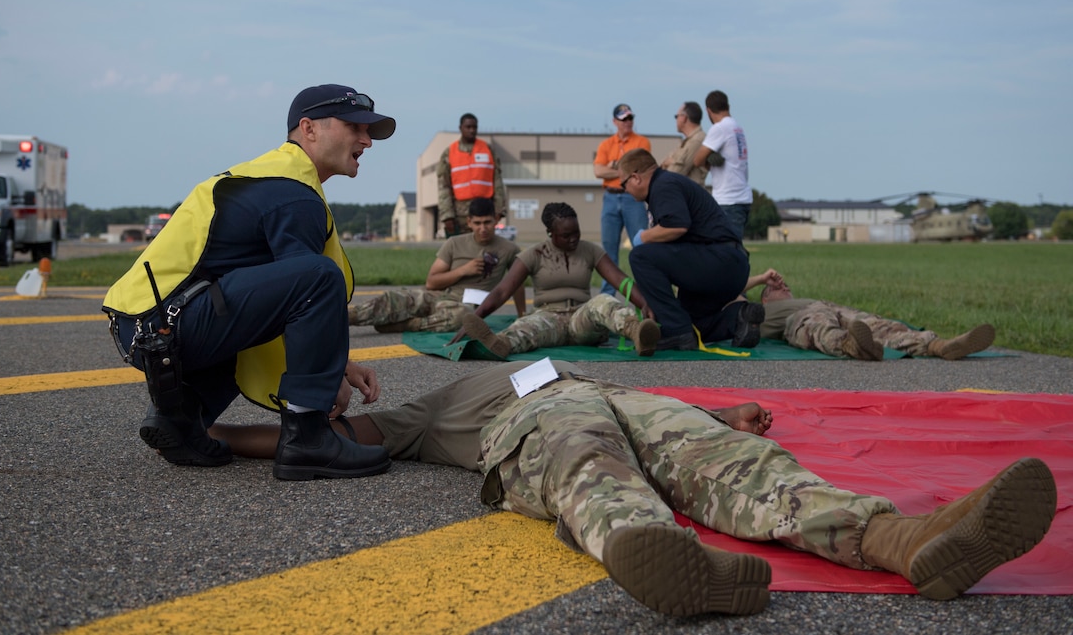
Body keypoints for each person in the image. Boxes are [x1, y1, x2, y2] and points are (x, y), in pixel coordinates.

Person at [209, 359, 1058, 618]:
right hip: (543, 425)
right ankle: (659, 556)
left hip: (639, 405)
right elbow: (328, 434)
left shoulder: (581, 367)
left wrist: (729, 409)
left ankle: (906, 540)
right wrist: (209, 434)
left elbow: (671, 417)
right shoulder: (445, 401)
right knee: (586, 459)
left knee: (737, 463)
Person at [102, 84, 396, 480]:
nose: (367, 141)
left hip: (147, 326)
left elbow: (273, 303)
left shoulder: (267, 177)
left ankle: (181, 419)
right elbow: (307, 296)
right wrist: (325, 386)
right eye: (354, 127)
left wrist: (339, 363)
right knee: (319, 276)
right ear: (308, 128)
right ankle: (308, 440)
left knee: (289, 292)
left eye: (369, 131)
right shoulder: (294, 194)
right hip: (172, 326)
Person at [452, 202, 661, 357]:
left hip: (582, 319)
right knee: (527, 326)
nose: (573, 239)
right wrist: (477, 317)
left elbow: (620, 279)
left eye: (576, 233)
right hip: (549, 317)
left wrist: (643, 303)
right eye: (566, 235)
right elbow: (502, 291)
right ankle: (500, 344)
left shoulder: (590, 250)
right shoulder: (534, 254)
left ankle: (639, 334)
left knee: (603, 301)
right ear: (550, 233)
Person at [617, 149, 764, 351]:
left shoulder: (663, 186)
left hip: (717, 261)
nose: (625, 190)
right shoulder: (670, 184)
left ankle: (675, 332)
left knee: (641, 257)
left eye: (623, 184)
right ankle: (738, 318)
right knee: (691, 325)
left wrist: (643, 237)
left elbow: (677, 226)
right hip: (731, 266)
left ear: (635, 178)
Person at [349, 197, 525, 333]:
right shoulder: (454, 243)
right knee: (394, 298)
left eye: (487, 222)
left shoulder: (508, 249)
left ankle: (409, 324)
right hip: (441, 296)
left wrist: (521, 315)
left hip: (467, 307)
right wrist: (463, 270)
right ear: (469, 222)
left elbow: (517, 284)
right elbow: (431, 283)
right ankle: (346, 317)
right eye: (477, 223)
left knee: (463, 316)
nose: (483, 228)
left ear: (495, 220)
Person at [746, 269, 997, 361]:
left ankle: (938, 345)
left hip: (830, 307)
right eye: (777, 288)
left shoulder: (806, 298)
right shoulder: (762, 311)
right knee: (819, 329)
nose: (784, 286)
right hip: (801, 318)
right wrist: (760, 279)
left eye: (785, 285)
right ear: (765, 297)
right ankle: (852, 346)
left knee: (880, 325)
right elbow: (729, 292)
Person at [593, 103, 652, 296]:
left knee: (640, 245)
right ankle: (607, 297)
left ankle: (646, 292)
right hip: (610, 197)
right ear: (615, 122)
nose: (628, 122)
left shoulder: (642, 142)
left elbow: (638, 168)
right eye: (624, 119)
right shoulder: (606, 145)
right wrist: (622, 168)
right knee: (608, 249)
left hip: (632, 198)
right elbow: (597, 171)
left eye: (630, 118)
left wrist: (612, 167)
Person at [692, 90, 752, 240]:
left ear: (708, 111)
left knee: (728, 249)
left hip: (728, 199)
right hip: (741, 197)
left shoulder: (719, 128)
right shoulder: (737, 127)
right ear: (728, 106)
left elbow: (697, 159)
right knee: (732, 247)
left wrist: (709, 161)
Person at [437, 113, 507, 237]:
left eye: (474, 127)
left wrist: (499, 209)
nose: (472, 130)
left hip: (485, 211)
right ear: (460, 128)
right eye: (468, 127)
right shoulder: (449, 153)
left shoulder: (488, 150)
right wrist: (447, 216)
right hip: (459, 215)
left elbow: (497, 182)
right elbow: (444, 187)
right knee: (458, 251)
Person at [659, 101, 709, 185]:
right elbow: (662, 165)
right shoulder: (688, 141)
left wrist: (671, 162)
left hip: (691, 196)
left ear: (683, 118)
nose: (676, 120)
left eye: (676, 116)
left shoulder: (697, 140)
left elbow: (675, 173)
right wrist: (671, 162)